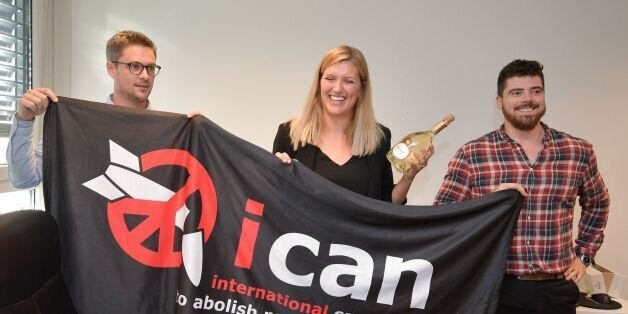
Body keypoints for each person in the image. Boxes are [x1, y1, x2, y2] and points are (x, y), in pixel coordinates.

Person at [433, 59, 610, 314]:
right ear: (499, 101)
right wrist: (489, 202)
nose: (527, 99)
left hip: (556, 291)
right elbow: (443, 215)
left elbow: (598, 203)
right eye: (516, 92)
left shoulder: (577, 151)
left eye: (535, 91)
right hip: (494, 287)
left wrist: (584, 255)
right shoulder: (473, 154)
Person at [6, 30, 167, 189]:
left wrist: (193, 132)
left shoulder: (168, 132)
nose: (145, 76)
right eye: (135, 66)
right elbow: (24, 179)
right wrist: (24, 120)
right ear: (112, 69)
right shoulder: (78, 126)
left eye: (151, 68)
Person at [273, 45, 432, 204]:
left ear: (362, 89)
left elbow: (385, 206)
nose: (337, 88)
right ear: (319, 82)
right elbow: (274, 202)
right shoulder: (290, 134)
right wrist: (274, 174)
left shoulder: (378, 138)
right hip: (305, 230)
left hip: (361, 230)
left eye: (349, 81)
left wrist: (408, 177)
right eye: (330, 78)